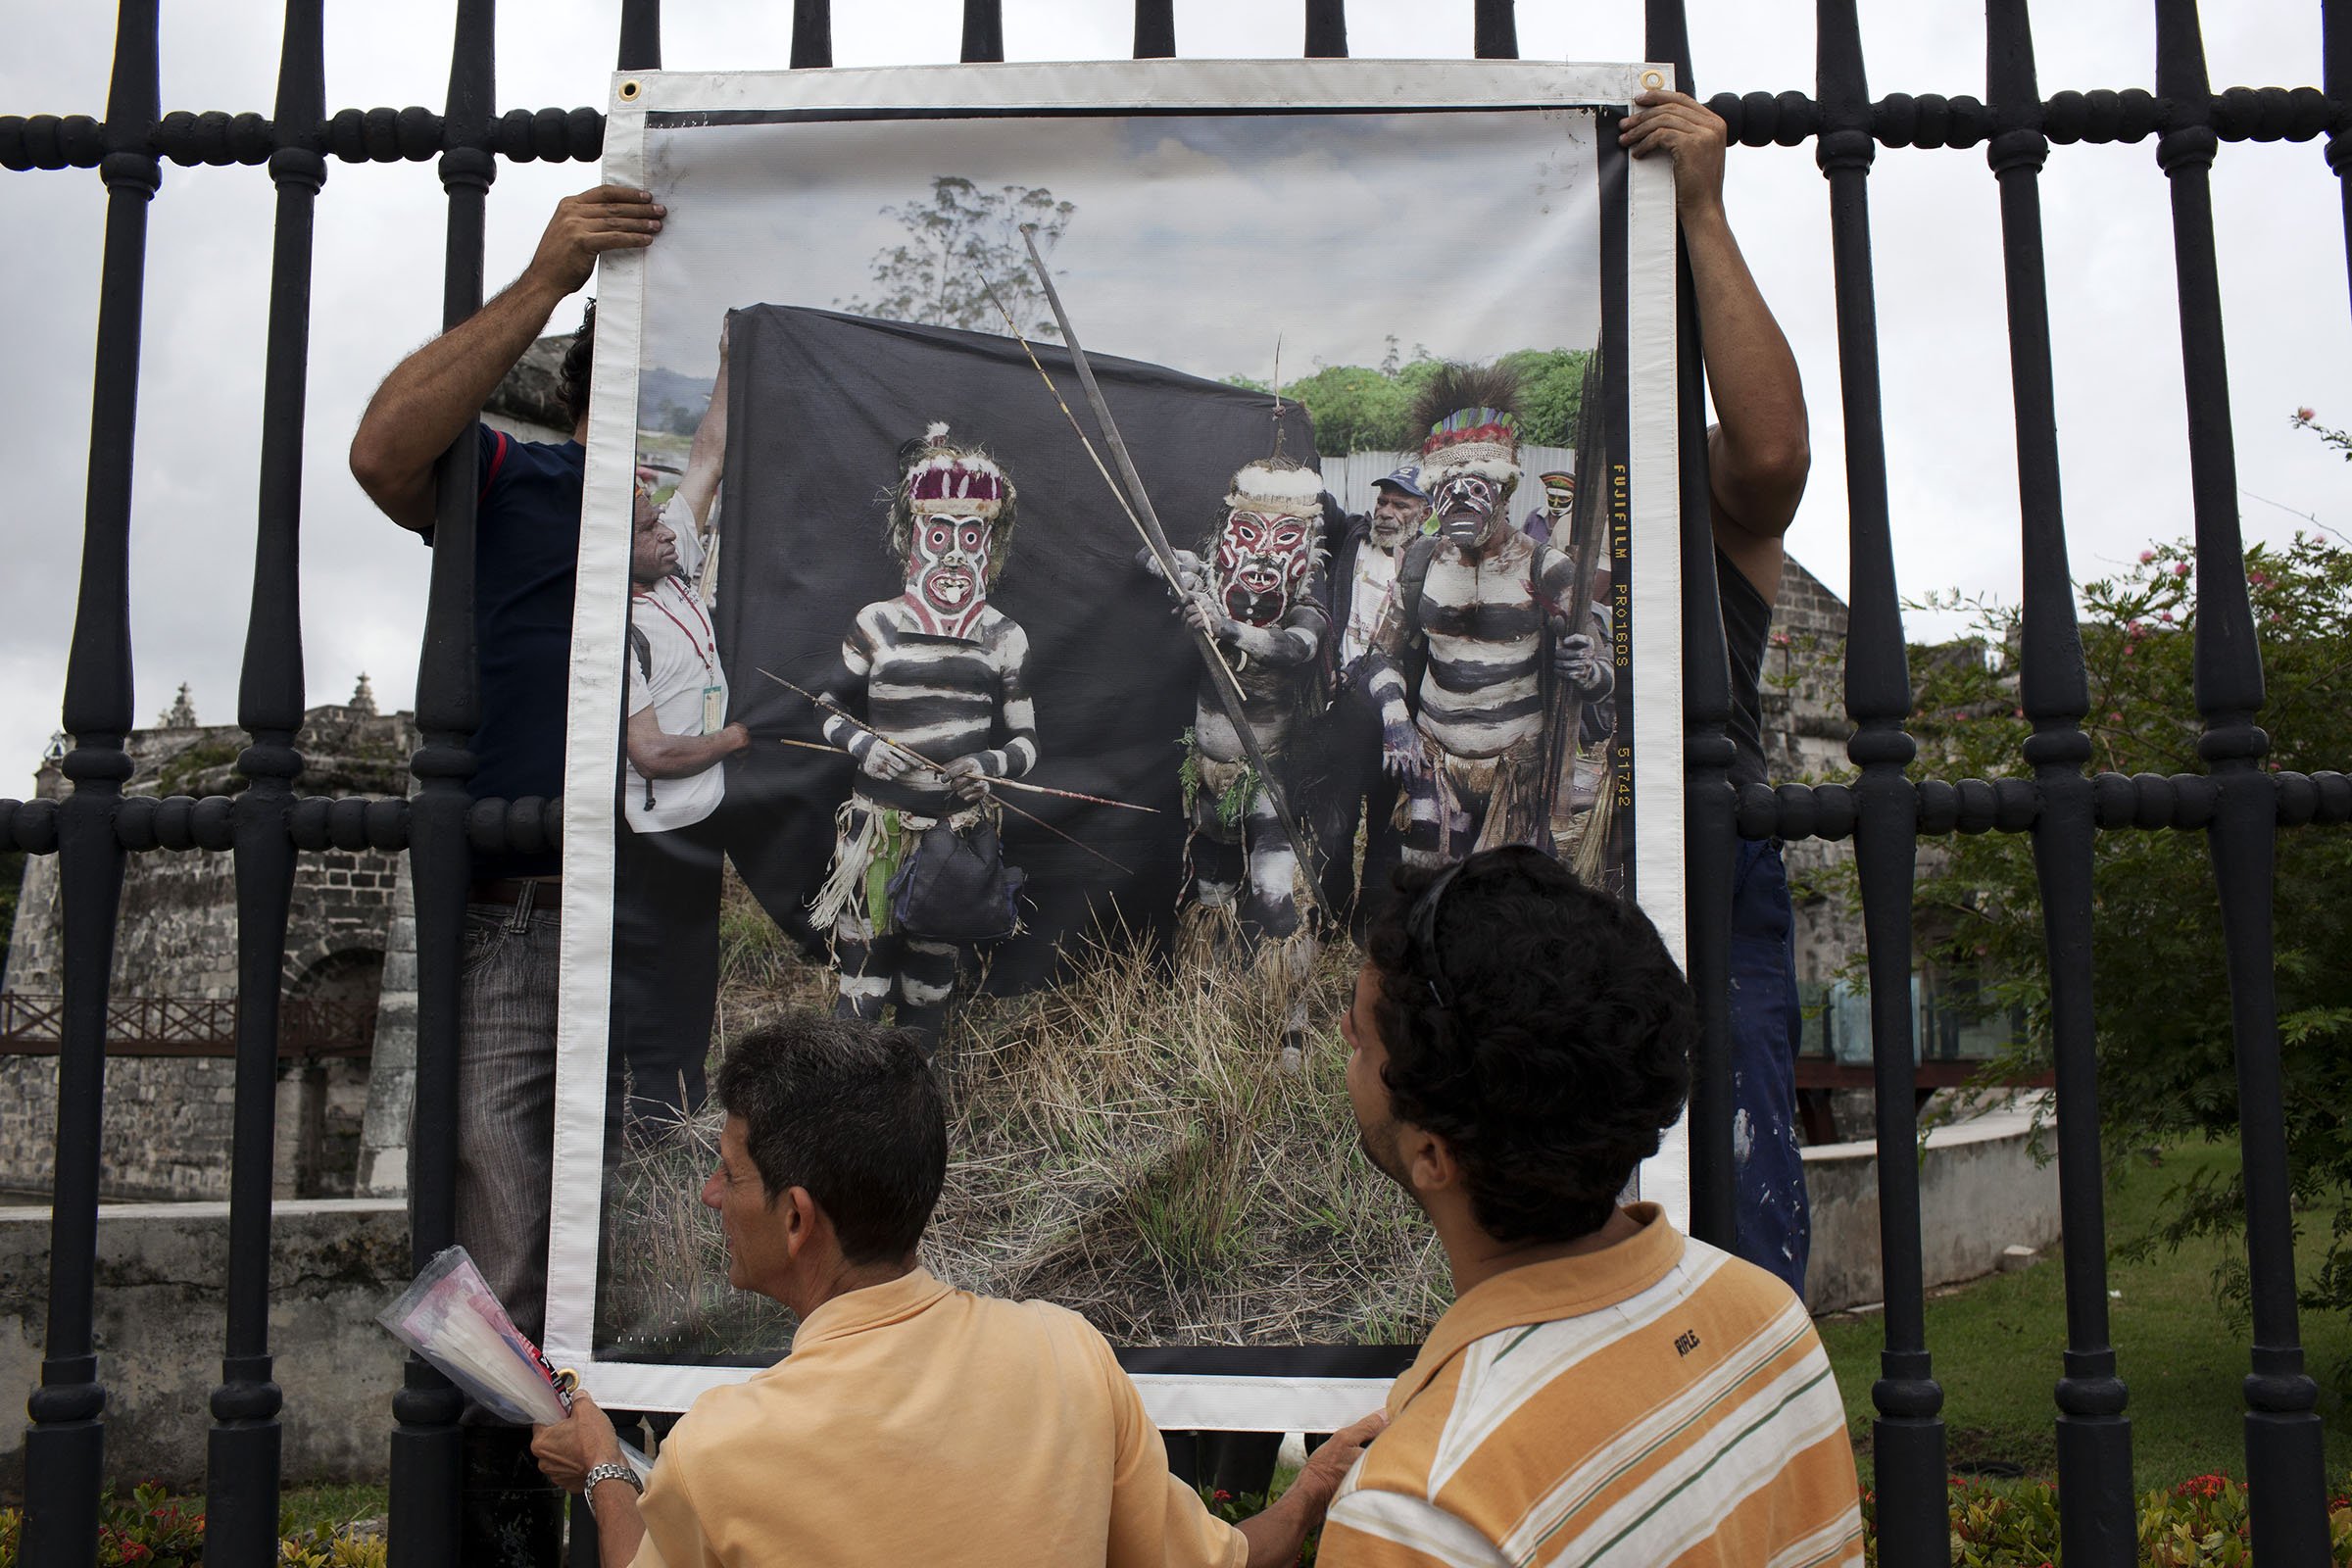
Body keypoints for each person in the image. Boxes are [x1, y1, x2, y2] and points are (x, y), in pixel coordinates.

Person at [529, 1012, 1389, 1567]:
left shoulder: (722, 1451)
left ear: (798, 1220)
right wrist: (1311, 1489)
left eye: (728, 1173)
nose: (711, 1197)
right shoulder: (1067, 1360)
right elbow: (1224, 1563)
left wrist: (605, 1467)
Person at [348, 182, 665, 1565]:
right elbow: (378, 449)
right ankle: (508, 1509)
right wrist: (544, 277)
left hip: (672, 913)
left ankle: (655, 1505)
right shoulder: (511, 479)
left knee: (671, 1238)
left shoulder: (718, 527)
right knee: (498, 1240)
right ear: (592, 399)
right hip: (522, 910)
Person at [1315, 848, 1863, 1566]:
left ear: (1433, 1155)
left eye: (1361, 1037)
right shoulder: (1762, 1317)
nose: (1347, 1046)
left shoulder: (1422, 1513)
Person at [1621, 88, 1816, 1298]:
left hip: (1704, 863)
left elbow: (1774, 452)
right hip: (1538, 876)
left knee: (1731, 1224)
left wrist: (1702, 207)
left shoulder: (1700, 489)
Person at [808, 425, 1039, 1054]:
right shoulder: (876, 623)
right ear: (914, 539)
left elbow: (1026, 743)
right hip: (877, 830)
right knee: (864, 976)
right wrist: (861, 744)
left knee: (930, 983)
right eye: (940, 536)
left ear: (990, 545)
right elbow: (824, 708)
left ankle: (914, 1102)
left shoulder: (1003, 636)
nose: (956, 555)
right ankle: (844, 1105)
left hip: (952, 834)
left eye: (971, 537)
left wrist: (987, 764)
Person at [1362, 365, 1612, 867]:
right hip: (1433, 763)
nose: (1458, 499)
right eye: (1447, 486)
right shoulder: (1421, 561)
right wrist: (1397, 722)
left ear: (1502, 490)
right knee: (1426, 890)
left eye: (1474, 486)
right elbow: (1379, 655)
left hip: (1515, 770)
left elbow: (1603, 675)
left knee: (1500, 902)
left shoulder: (1548, 568)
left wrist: (1587, 670)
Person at [1144, 454, 1330, 1065]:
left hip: (1268, 775)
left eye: (1284, 540)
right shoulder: (1210, 582)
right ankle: (1206, 1003)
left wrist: (1227, 629)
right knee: (1213, 888)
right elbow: (1149, 556)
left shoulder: (1305, 604)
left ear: (1306, 545)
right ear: (1230, 533)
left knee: (1276, 897)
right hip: (1207, 770)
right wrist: (1177, 575)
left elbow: (1297, 648)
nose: (1264, 553)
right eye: (1250, 534)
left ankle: (1291, 1030)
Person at [617, 478, 749, 1128]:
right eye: (648, 529)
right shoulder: (611, 632)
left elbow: (703, 461)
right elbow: (650, 753)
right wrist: (734, 738)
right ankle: (653, 1114)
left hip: (699, 819)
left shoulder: (672, 573)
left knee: (693, 966)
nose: (667, 531)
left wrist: (731, 371)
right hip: (653, 831)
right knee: (654, 972)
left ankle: (684, 1101)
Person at [1313, 466, 1429, 938]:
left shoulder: (1432, 560)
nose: (1387, 512)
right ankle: (1330, 916)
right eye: (1383, 501)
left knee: (1388, 829)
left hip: (1400, 718)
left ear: (1425, 513)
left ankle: (1371, 928)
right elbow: (1320, 502)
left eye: (1401, 505)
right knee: (1335, 825)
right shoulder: (1350, 539)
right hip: (1342, 712)